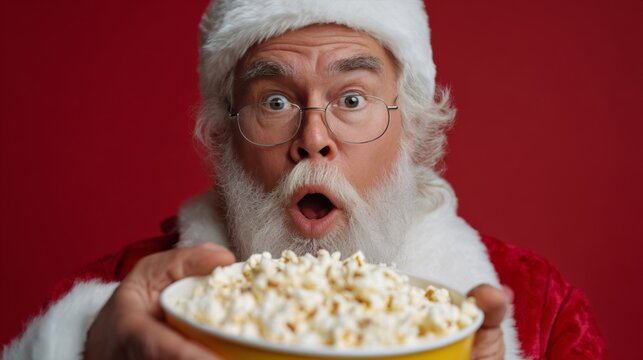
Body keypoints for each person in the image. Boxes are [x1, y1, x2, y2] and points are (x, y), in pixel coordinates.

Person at [3, 0, 607, 359]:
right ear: (223, 135)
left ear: (414, 130)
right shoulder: (118, 302)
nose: (313, 137)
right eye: (273, 102)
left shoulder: (542, 314)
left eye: (351, 97)